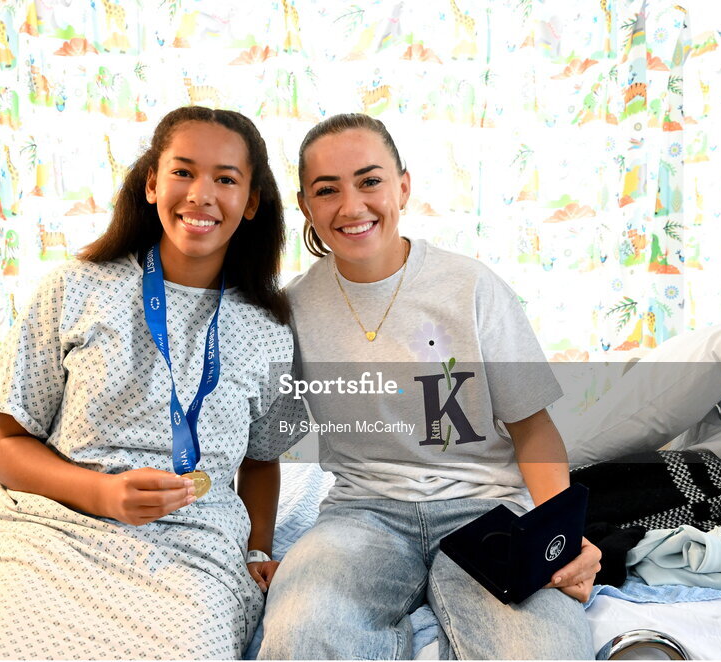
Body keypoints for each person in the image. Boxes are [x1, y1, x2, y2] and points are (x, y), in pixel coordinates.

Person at [0, 106, 304, 660]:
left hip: (195, 549)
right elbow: (3, 447)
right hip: (55, 530)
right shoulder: (73, 288)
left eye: (225, 178)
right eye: (183, 171)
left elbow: (262, 458)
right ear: (152, 183)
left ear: (250, 202)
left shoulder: (271, 328)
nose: (201, 193)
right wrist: (102, 493)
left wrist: (256, 549)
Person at [257, 114, 601, 660]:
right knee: (299, 636)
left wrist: (558, 534)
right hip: (361, 514)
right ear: (306, 205)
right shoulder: (292, 309)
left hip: (486, 508)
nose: (351, 206)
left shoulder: (471, 286)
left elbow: (534, 428)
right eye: (328, 190)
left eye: (370, 181)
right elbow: (262, 444)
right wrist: (256, 547)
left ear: (403, 186)